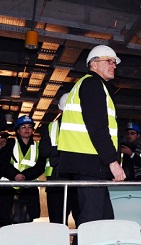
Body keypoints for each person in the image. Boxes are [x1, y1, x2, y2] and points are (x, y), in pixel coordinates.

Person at [57, 45, 125, 230]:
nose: (113, 65)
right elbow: (97, 127)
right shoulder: (93, 85)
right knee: (93, 221)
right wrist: (112, 161)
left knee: (104, 219)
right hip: (90, 163)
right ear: (94, 64)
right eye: (109, 61)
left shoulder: (92, 85)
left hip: (92, 164)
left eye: (114, 62)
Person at [40, 93, 80, 225]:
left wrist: (57, 152)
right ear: (60, 110)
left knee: (82, 221)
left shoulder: (83, 128)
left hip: (77, 180)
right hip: (56, 181)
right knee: (57, 223)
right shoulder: (49, 128)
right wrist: (66, 148)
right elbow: (44, 150)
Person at [0, 116, 47, 224]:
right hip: (8, 189)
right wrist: (15, 175)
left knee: (26, 223)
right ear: (17, 130)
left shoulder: (38, 146)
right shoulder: (10, 143)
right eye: (23, 127)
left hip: (28, 190)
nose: (27, 129)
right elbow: (3, 163)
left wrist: (25, 176)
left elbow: (40, 166)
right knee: (5, 222)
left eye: (30, 127)